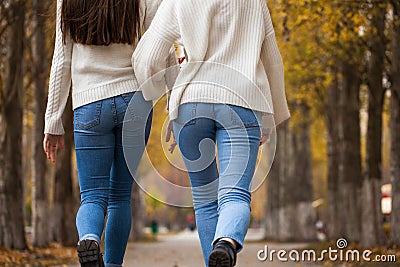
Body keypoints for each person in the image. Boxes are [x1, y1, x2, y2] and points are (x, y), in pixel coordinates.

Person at [133, 0, 290, 266]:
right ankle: (226, 242)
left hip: (192, 104)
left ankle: (215, 258)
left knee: (205, 202)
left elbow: (147, 59)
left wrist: (165, 100)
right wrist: (270, 119)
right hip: (243, 102)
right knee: (236, 194)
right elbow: (272, 60)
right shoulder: (256, 3)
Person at [42, 0, 174, 266]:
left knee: (92, 196)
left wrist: (53, 121)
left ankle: (89, 238)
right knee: (119, 197)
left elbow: (61, 58)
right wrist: (175, 103)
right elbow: (163, 46)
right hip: (135, 103)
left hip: (89, 105)